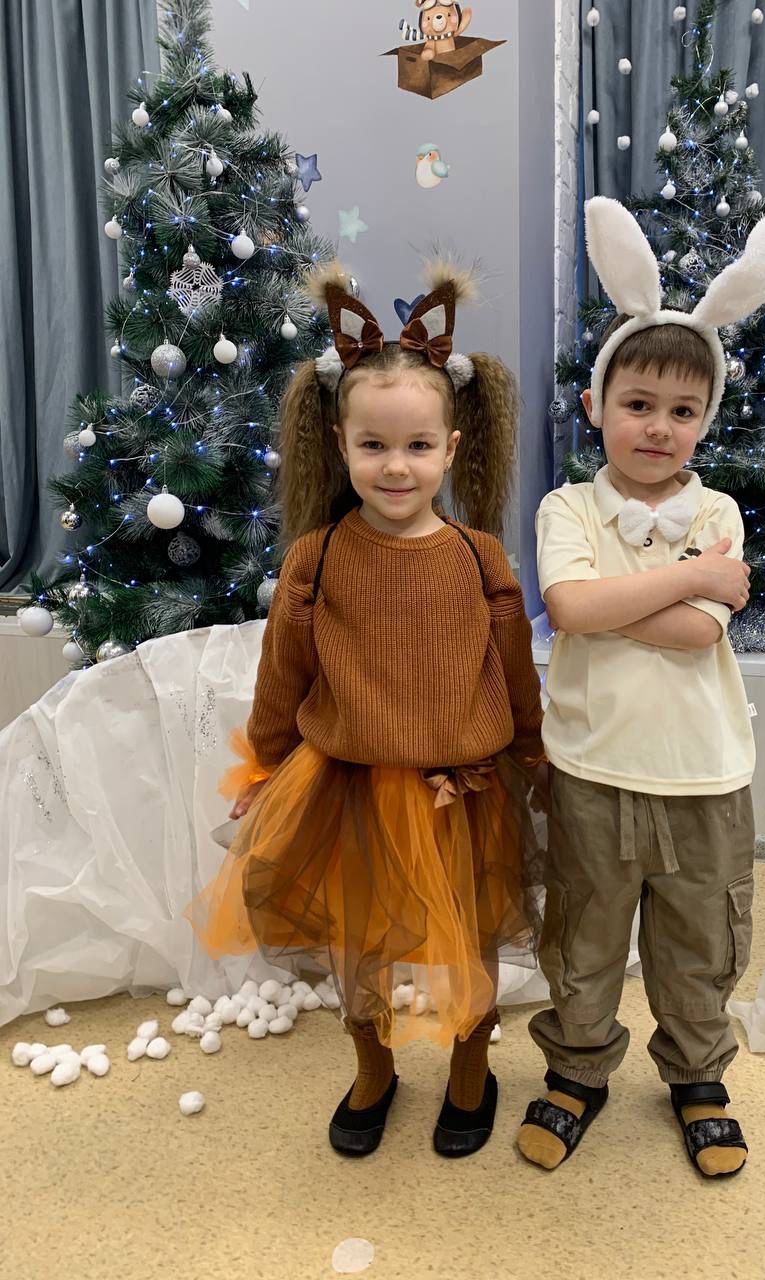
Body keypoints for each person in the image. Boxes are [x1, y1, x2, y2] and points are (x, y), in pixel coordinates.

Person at [188, 261, 545, 1160]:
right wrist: (264, 768)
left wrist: (535, 753)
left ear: (451, 449)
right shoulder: (315, 559)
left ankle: (471, 1068)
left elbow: (512, 672)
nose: (396, 466)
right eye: (374, 446)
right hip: (343, 786)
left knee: (468, 938)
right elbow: (283, 677)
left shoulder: (480, 557)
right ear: (340, 446)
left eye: (417, 446)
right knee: (360, 945)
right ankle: (374, 1067)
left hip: (462, 793)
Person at [517, 196, 765, 1178]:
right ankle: (577, 1071)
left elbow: (693, 635)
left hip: (702, 774)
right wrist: (687, 578)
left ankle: (697, 1076)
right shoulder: (568, 507)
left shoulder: (718, 509)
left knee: (699, 941)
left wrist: (614, 601)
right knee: (583, 935)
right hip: (591, 768)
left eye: (683, 411)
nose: (659, 427)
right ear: (596, 405)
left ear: (704, 421)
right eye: (638, 403)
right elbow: (568, 606)